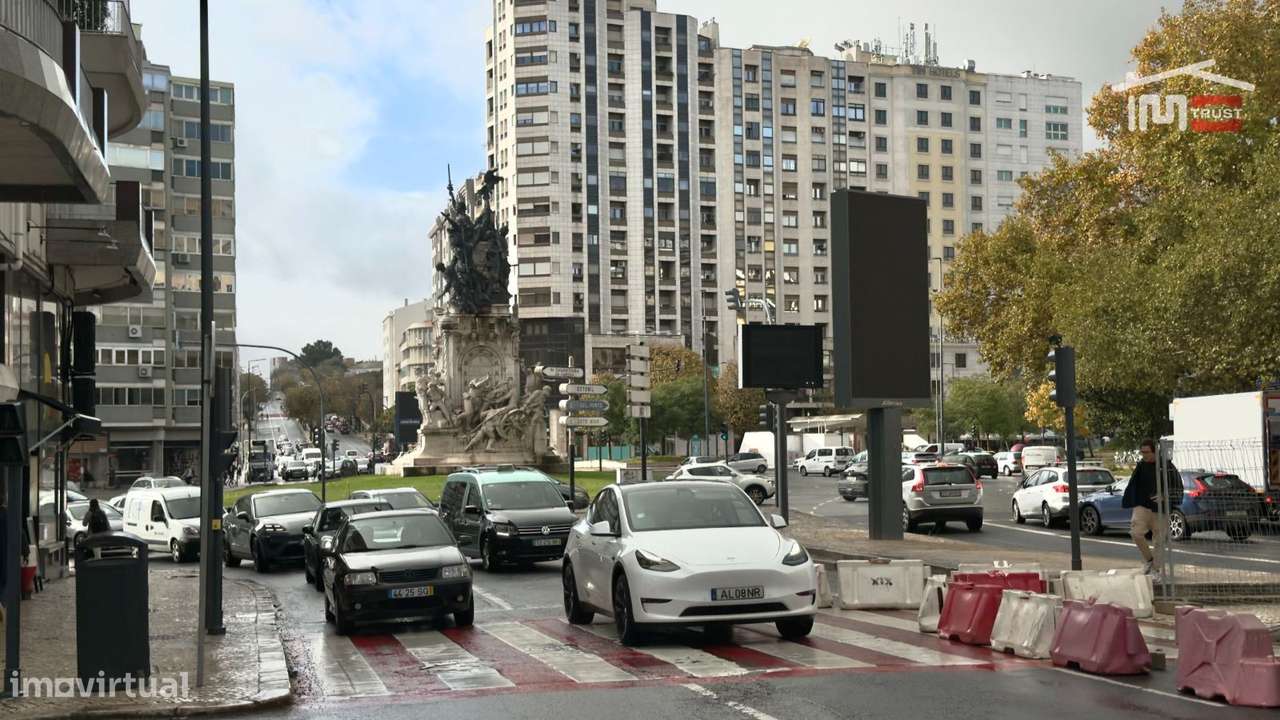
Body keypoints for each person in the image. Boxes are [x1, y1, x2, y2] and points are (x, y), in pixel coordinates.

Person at [1122, 439, 1177, 575]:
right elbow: (1133, 484)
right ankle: (1149, 560)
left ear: (1154, 451)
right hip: (1143, 506)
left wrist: (1164, 496)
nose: (1144, 455)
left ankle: (1156, 570)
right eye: (1142, 452)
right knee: (1136, 533)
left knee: (1159, 541)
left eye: (1147, 452)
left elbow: (1177, 486)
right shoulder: (1141, 466)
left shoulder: (1167, 465)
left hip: (1161, 509)